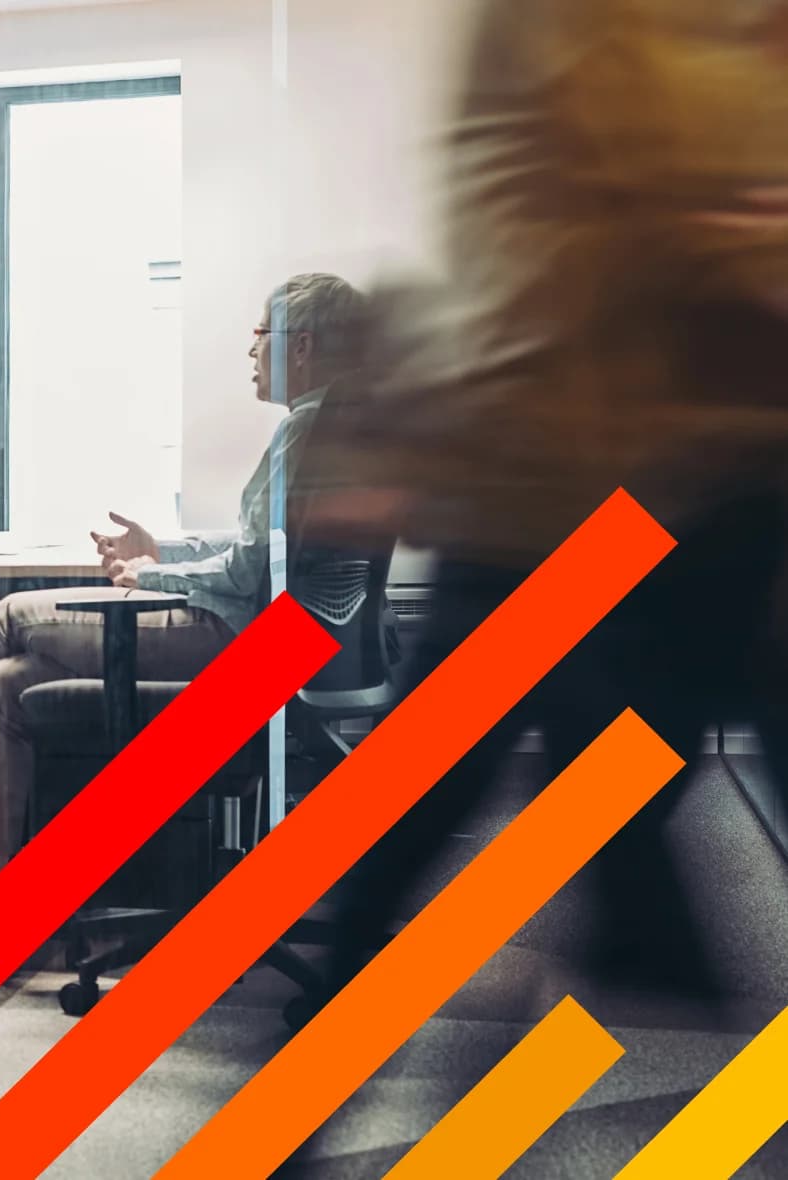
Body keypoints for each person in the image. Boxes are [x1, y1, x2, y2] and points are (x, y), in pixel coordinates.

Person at [299, 0, 788, 1020]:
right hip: (556, 449)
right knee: (449, 770)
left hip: (661, 461)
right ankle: (633, 932)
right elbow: (555, 216)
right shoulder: (582, 35)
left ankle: (637, 929)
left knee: (506, 757)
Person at [0, 274, 373, 938]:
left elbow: (249, 570)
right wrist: (165, 548)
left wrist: (150, 576)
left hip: (249, 647)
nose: (250, 353)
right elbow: (258, 546)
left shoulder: (307, 432)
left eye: (259, 336)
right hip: (288, 645)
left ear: (301, 346)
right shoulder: (340, 425)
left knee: (14, 613)